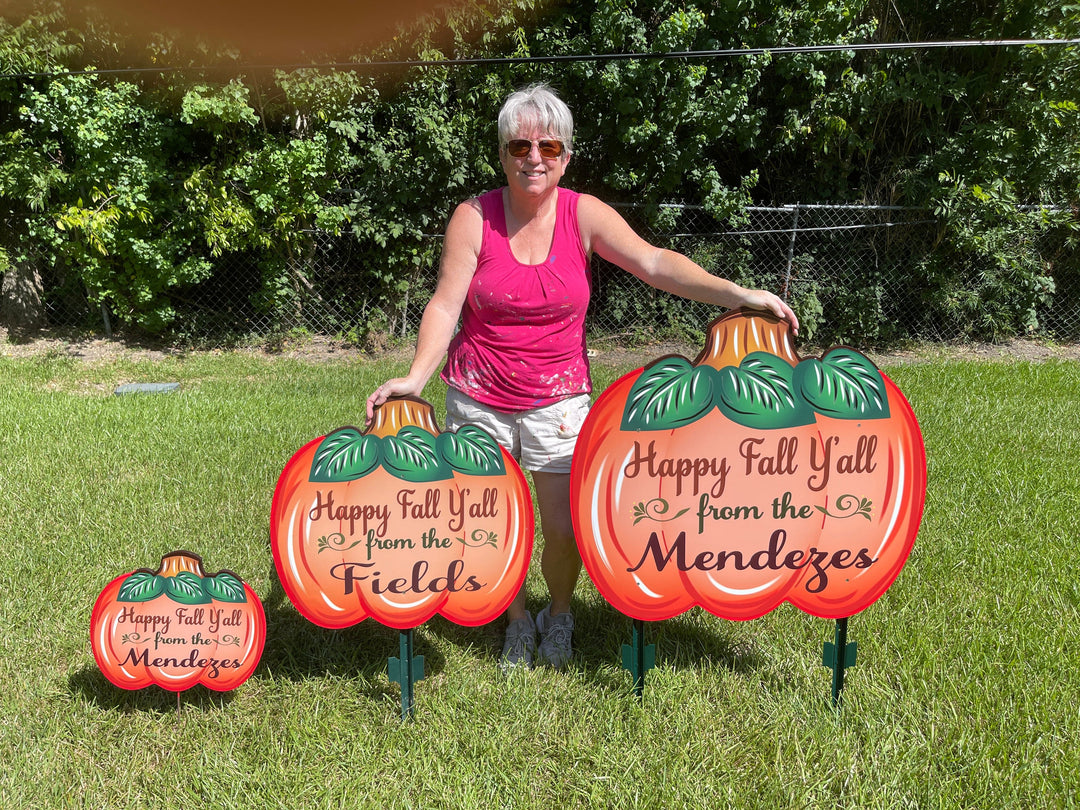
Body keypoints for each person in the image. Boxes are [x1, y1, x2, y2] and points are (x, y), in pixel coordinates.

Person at [365, 83, 799, 671]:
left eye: (548, 145)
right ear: (502, 152)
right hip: (478, 398)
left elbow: (651, 262)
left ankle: (561, 614)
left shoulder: (582, 214)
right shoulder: (473, 218)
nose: (533, 157)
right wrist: (416, 377)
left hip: (559, 402)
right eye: (520, 145)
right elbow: (445, 305)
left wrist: (737, 293)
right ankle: (516, 620)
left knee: (563, 529)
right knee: (492, 524)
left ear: (566, 155)